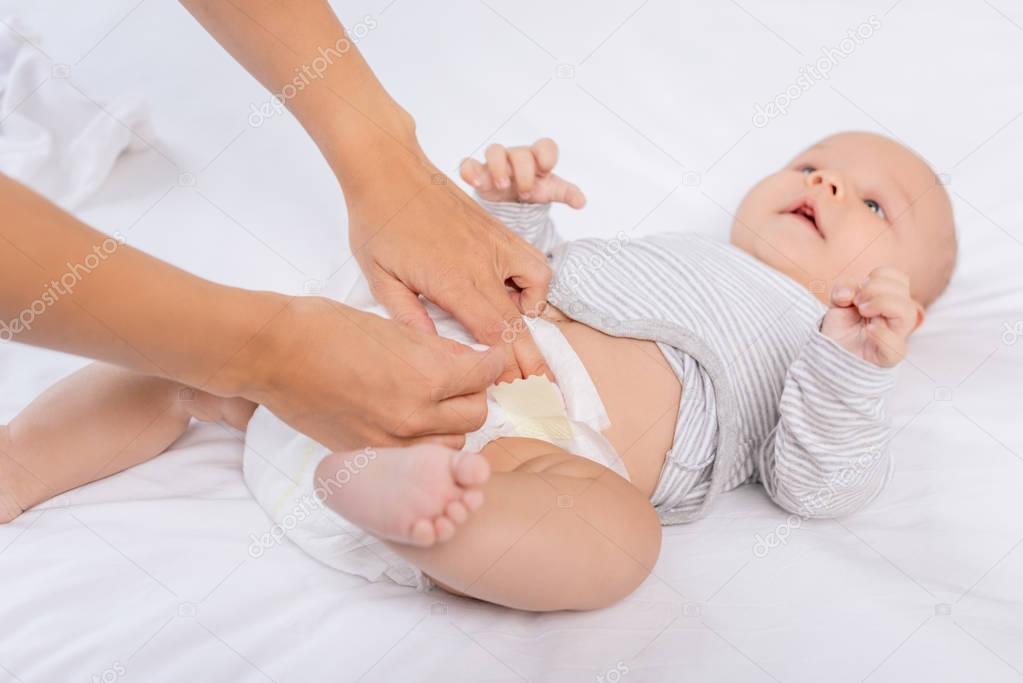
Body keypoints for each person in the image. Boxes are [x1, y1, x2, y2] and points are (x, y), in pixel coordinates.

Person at [1, 132, 958, 612]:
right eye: (811, 163)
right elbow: (522, 279)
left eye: (873, 201)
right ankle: (21, 460)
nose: (825, 182)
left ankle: (409, 503)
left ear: (900, 295)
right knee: (188, 359)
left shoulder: (816, 348)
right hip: (369, 363)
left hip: (519, 458)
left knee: (618, 541)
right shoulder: (673, 249)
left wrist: (853, 367)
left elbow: (817, 485)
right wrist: (519, 215)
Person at [0, 0, 556, 455]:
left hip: (442, 434)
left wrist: (386, 160)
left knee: (184, 383)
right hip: (386, 394)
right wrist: (273, 354)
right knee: (174, 381)